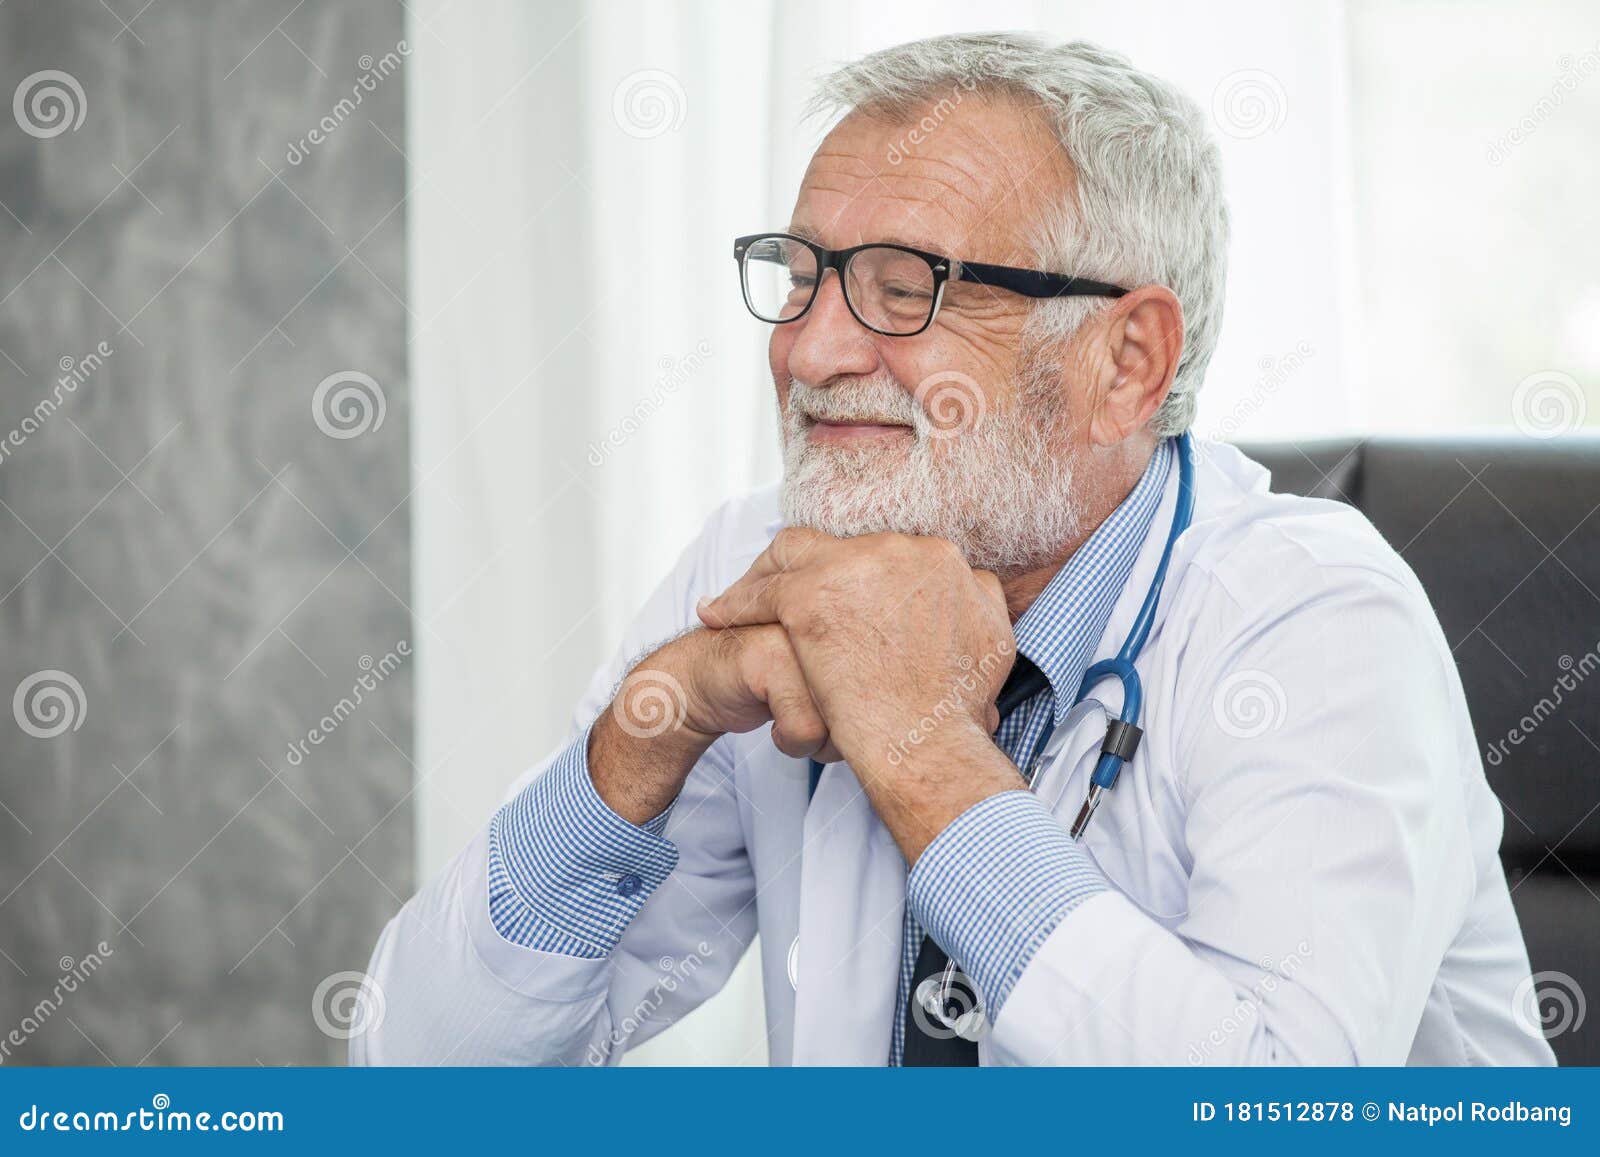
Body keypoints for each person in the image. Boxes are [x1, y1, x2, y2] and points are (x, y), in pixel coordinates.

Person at [354, 32, 1553, 1066]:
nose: (809, 351)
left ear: (1125, 360)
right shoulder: (770, 560)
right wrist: (652, 721)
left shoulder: (1312, 616)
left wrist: (922, 751)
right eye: (804, 276)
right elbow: (422, 1076)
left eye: (903, 288)